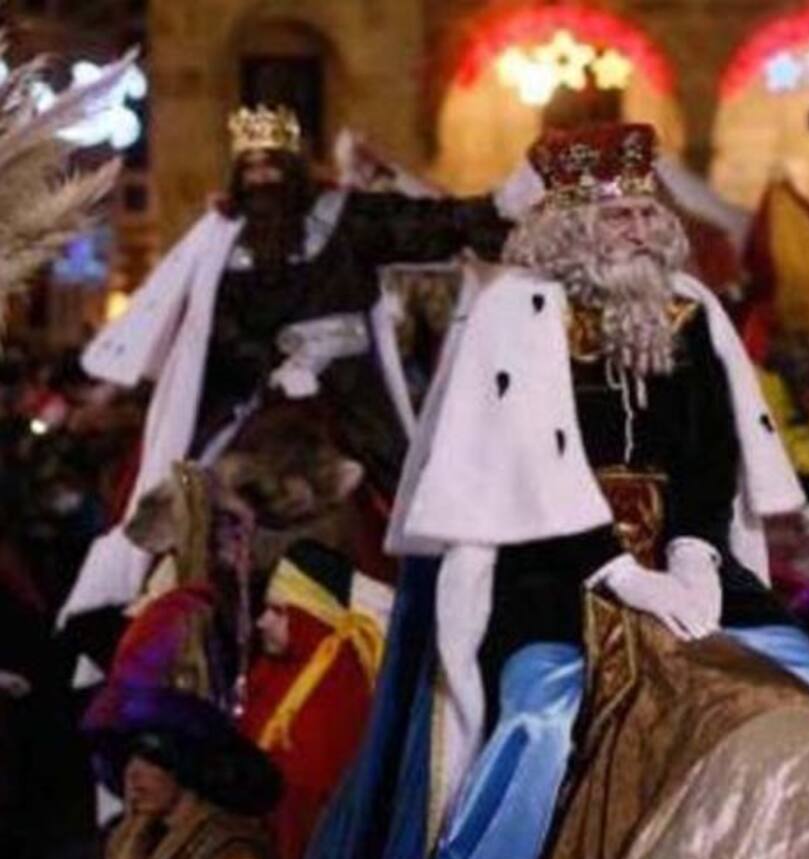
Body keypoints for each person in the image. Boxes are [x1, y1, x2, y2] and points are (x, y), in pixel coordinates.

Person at [301, 123, 809, 859]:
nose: (642, 230)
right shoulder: (513, 313)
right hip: (549, 564)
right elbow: (530, 462)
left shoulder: (689, 311)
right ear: (569, 224)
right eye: (620, 216)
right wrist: (618, 571)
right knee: (539, 719)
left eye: (649, 213)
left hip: (680, 555)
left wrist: (693, 554)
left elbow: (709, 454)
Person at [62, 104, 523, 626]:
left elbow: (422, 225)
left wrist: (497, 205)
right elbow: (219, 328)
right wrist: (270, 367)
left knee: (408, 496)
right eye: (251, 168)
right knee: (176, 490)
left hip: (349, 398)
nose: (262, 179)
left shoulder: (345, 218)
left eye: (272, 166)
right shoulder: (222, 244)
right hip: (257, 395)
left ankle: (438, 612)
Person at [83, 585, 283, 859]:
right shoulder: (129, 843)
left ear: (184, 764)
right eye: (127, 758)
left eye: (151, 758)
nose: (133, 773)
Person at [239, 541, 386, 859]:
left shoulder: (338, 686)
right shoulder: (274, 671)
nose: (261, 622)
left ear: (310, 614)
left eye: (277, 611)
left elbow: (312, 787)